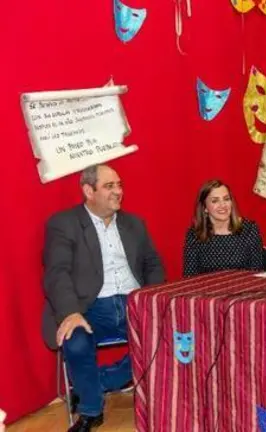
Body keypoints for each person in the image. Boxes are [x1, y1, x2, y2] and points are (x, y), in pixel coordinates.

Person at [43, 164, 165, 432]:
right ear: (89, 191)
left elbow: (153, 264)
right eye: (109, 186)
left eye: (119, 185)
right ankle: (91, 411)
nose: (118, 191)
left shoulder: (134, 223)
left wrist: (153, 300)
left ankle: (93, 385)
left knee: (168, 337)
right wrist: (70, 312)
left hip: (135, 304)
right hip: (89, 307)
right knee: (75, 341)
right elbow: (57, 273)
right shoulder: (64, 223)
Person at [183, 180, 265, 276]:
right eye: (215, 201)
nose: (223, 205)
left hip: (244, 285)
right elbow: (190, 277)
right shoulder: (194, 234)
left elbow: (256, 273)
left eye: (226, 199)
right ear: (205, 207)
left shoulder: (249, 230)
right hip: (208, 286)